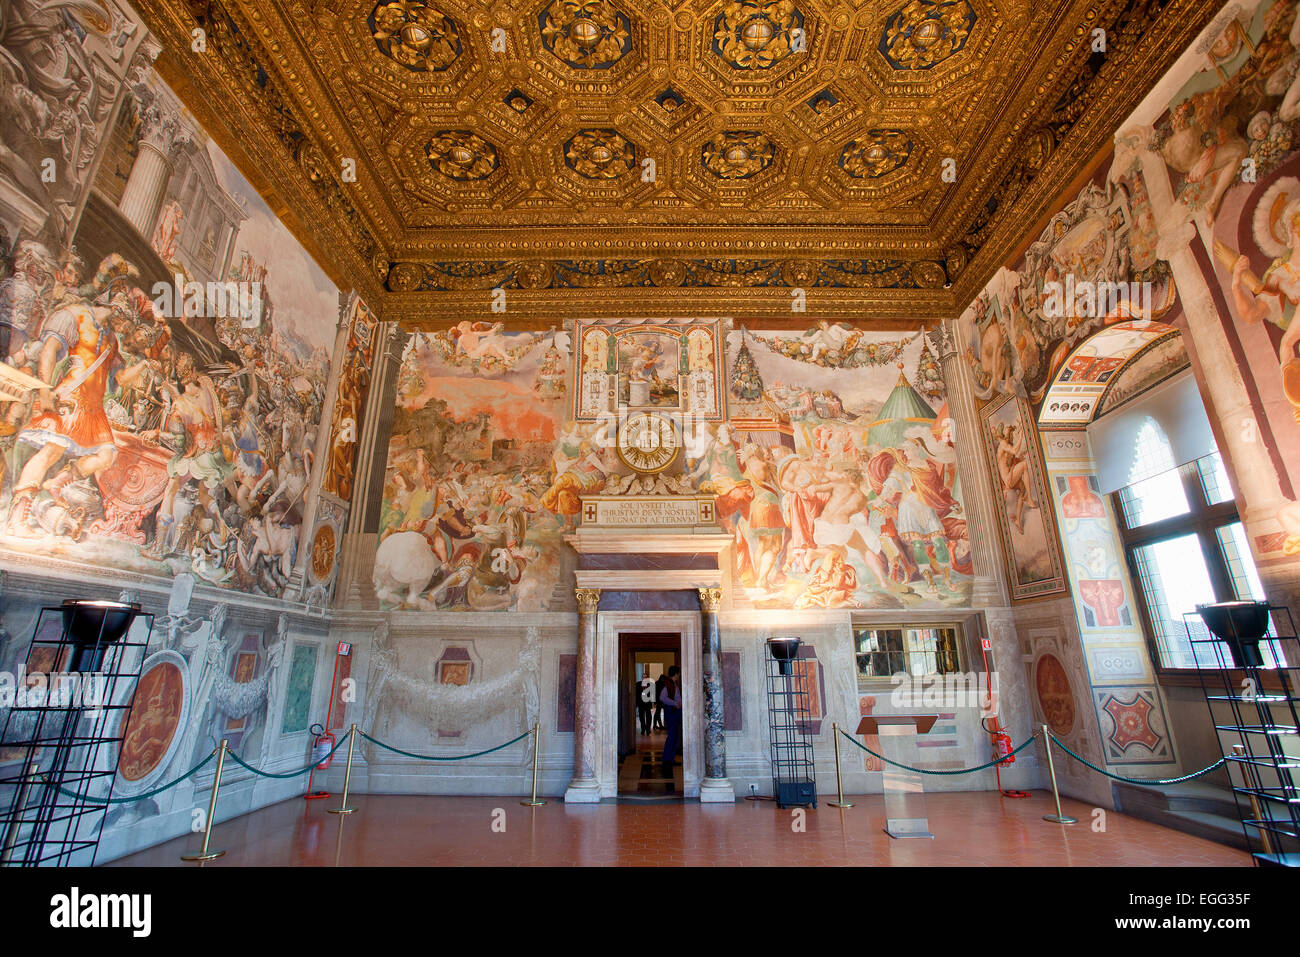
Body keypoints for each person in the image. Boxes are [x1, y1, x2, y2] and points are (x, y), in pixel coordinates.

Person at [660, 666, 682, 775]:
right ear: (676, 674)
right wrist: (675, 703)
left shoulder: (672, 685)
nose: (679, 676)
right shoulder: (668, 685)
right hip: (672, 712)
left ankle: (670, 759)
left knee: (674, 737)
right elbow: (662, 698)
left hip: (674, 712)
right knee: (672, 736)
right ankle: (666, 759)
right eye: (678, 674)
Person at [637, 667, 654, 736]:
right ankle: (643, 728)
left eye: (646, 677)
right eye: (643, 677)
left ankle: (648, 729)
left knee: (649, 717)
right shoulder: (638, 684)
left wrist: (652, 702)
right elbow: (637, 694)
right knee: (641, 717)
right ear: (642, 678)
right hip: (641, 703)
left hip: (647, 703)